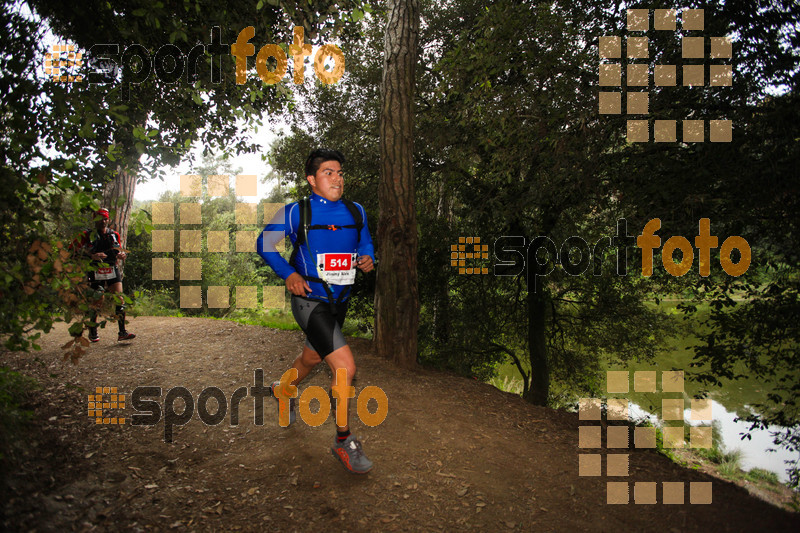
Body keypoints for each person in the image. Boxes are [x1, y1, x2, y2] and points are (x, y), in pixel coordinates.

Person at [256, 149, 375, 474]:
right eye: (328, 172)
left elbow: (364, 242)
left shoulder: (356, 210)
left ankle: (283, 390)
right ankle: (343, 441)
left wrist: (367, 257)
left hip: (341, 300)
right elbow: (264, 243)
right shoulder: (297, 212)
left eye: (339, 172)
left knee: (311, 358)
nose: (337, 178)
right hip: (309, 299)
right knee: (344, 367)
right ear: (312, 179)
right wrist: (289, 274)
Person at [76, 208, 136, 342]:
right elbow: (74, 250)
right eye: (100, 219)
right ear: (94, 220)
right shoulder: (87, 235)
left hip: (111, 268)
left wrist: (122, 255)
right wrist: (92, 255)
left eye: (105, 219)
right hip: (95, 270)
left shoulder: (113, 235)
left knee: (119, 298)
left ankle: (122, 332)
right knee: (98, 300)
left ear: (108, 220)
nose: (103, 222)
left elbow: (119, 251)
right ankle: (93, 331)